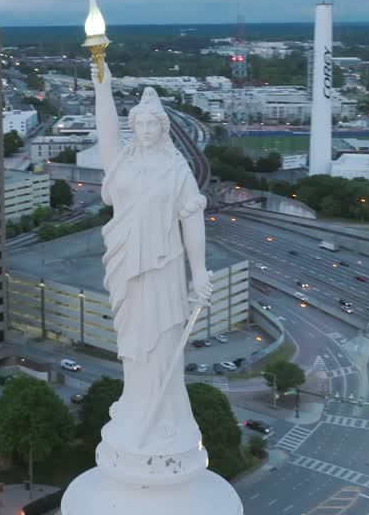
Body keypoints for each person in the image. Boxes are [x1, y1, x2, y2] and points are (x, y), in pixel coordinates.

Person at [91, 59, 212, 456]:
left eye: (151, 125)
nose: (143, 131)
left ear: (163, 128)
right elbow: (106, 131)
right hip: (125, 263)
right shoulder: (120, 162)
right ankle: (135, 404)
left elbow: (192, 221)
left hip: (163, 267)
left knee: (161, 341)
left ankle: (165, 417)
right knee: (131, 340)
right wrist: (103, 88)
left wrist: (200, 274)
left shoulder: (177, 170)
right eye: (138, 125)